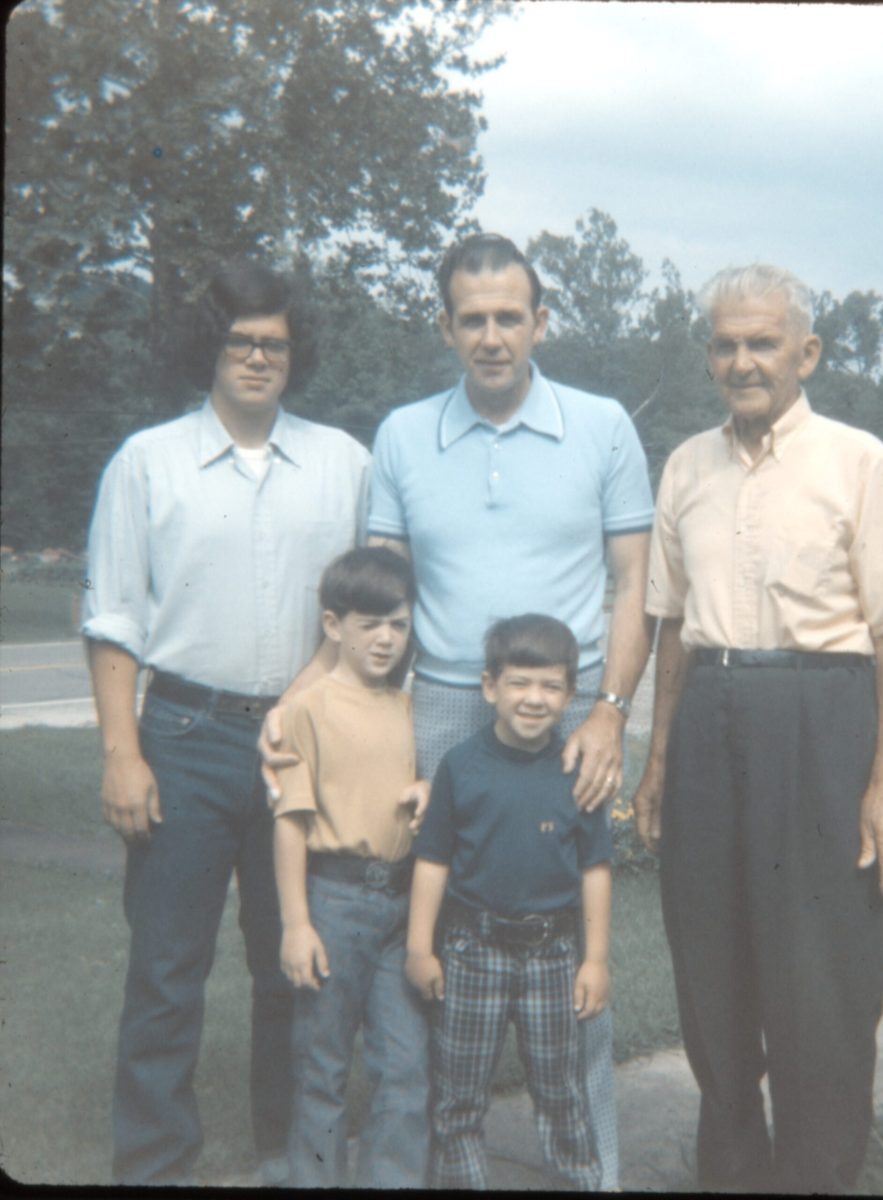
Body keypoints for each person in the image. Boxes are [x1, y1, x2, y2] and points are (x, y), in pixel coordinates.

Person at [631, 263, 883, 1193]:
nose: (743, 361)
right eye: (725, 345)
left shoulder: (858, 460)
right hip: (708, 719)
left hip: (820, 716)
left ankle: (815, 1176)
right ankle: (730, 1174)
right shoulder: (685, 466)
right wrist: (657, 762)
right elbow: (672, 628)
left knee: (820, 979)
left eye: (762, 343)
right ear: (708, 357)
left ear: (804, 353)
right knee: (710, 966)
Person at [365, 232, 655, 1186]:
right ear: (445, 326)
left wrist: (608, 711)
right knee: (428, 932)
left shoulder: (602, 426)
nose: (491, 336)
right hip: (445, 702)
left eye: (508, 317)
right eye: (472, 319)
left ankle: (590, 1172)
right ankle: (439, 1166)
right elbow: (383, 597)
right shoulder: (403, 434)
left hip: (568, 706)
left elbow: (633, 583)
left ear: (540, 321)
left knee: (573, 937)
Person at [82, 261, 371, 1185]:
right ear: (209, 348)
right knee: (167, 971)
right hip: (183, 738)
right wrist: (122, 754)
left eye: (273, 343)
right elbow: (114, 618)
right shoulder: (147, 461)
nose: (256, 357)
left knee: (294, 963)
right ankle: (155, 1163)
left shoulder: (344, 464)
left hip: (300, 744)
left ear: (296, 353)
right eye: (239, 340)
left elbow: (366, 607)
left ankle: (287, 1156)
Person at [406, 615, 611, 1191]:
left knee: (561, 1092)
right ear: (490, 686)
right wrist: (419, 948)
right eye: (519, 682)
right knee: (459, 1095)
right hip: (473, 952)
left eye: (550, 685)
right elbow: (433, 860)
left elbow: (595, 870)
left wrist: (596, 960)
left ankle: (577, 1182)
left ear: (569, 695)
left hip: (553, 956)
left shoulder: (576, 772)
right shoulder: (460, 766)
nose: (534, 698)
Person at [272, 547, 430, 1187]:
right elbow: (290, 821)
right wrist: (296, 924)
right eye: (370, 625)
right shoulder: (306, 709)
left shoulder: (406, 706)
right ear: (334, 625)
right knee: (323, 1066)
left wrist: (428, 790)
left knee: (406, 1066)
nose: (387, 638)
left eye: (399, 623)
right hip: (332, 903)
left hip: (401, 906)